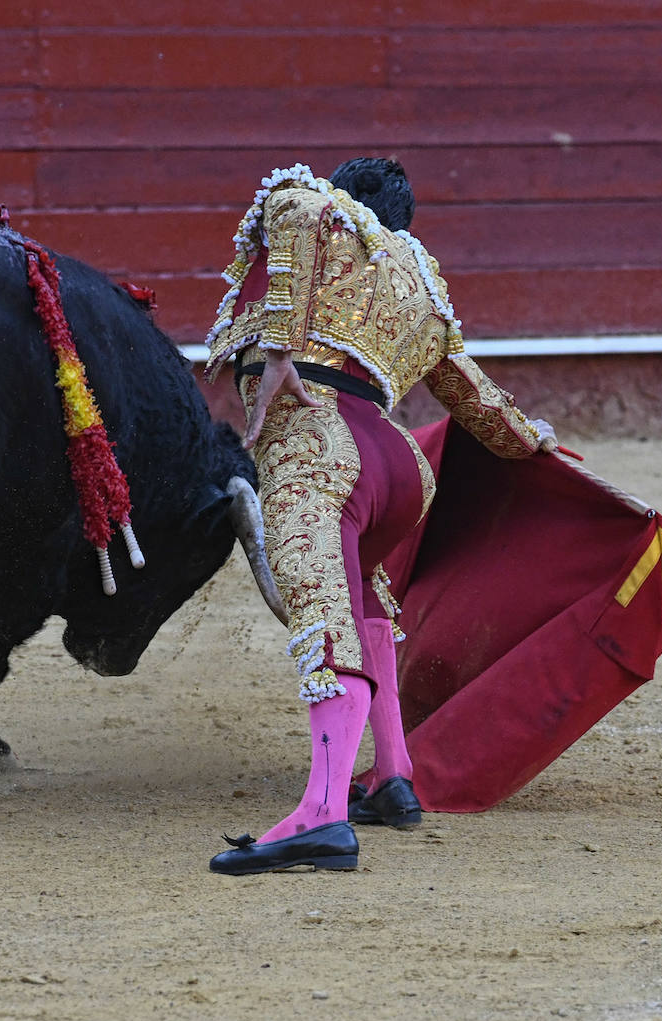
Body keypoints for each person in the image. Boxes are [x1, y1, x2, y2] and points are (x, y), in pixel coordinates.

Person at [203, 158, 558, 875]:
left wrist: (277, 353)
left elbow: (298, 210)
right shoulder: (422, 283)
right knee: (363, 598)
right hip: (396, 466)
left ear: (347, 196)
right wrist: (534, 440)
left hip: (318, 445)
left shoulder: (318, 211)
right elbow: (474, 398)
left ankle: (324, 813)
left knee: (322, 608)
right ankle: (393, 775)